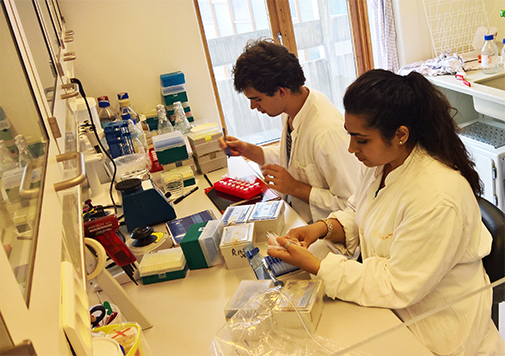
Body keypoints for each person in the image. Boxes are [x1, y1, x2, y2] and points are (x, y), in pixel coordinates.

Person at [268, 69, 505, 355]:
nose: (351, 148)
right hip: (395, 312)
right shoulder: (382, 164)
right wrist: (322, 228)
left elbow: (398, 283)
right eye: (350, 136)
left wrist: (319, 267)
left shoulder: (437, 197)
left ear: (401, 134)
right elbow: (362, 213)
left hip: (438, 333)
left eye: (361, 139)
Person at [218, 38, 360, 224]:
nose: (253, 106)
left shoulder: (327, 131)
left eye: (257, 99)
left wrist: (296, 188)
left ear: (281, 91)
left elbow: (353, 204)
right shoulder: (293, 109)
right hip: (297, 218)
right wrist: (248, 150)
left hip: (330, 238)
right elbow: (295, 159)